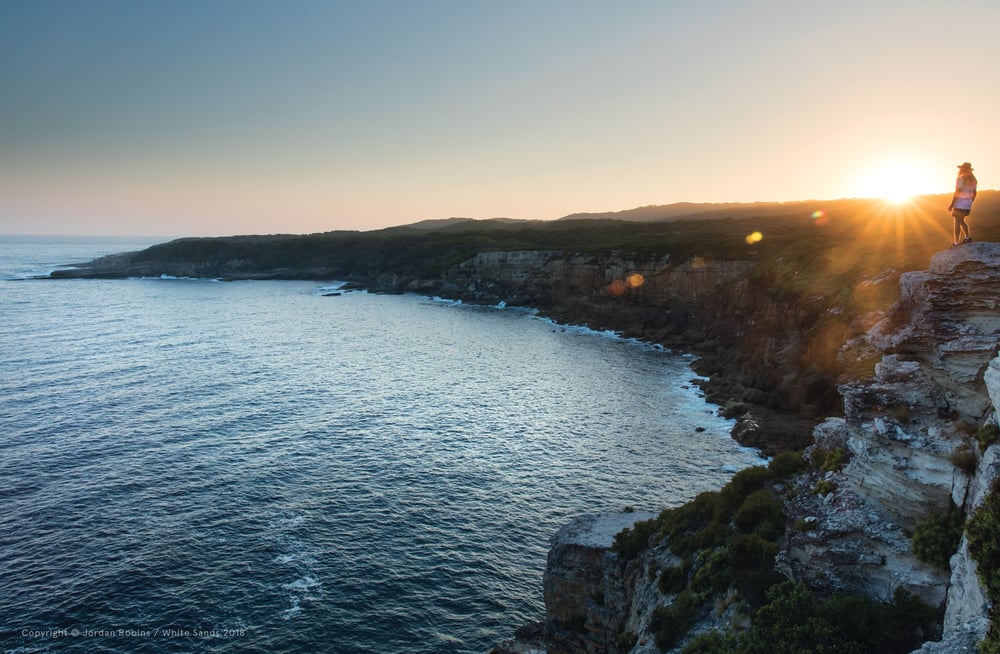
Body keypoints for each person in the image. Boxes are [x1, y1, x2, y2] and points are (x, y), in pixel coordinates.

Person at [948, 162, 978, 247]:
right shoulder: (974, 180)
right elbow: (975, 192)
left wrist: (951, 204)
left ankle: (956, 243)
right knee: (961, 221)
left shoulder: (960, 179)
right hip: (967, 203)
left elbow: (957, 192)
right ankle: (968, 238)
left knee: (957, 222)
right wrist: (970, 202)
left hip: (959, 203)